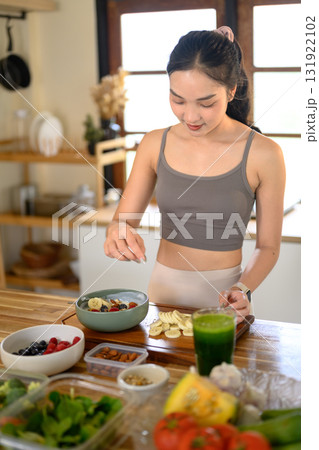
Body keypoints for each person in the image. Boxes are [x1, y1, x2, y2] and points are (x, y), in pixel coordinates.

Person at [104, 26, 285, 323]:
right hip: (162, 298)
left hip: (226, 303)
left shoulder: (265, 154)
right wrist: (117, 233)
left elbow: (268, 247)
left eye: (206, 103)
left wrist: (244, 289)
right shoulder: (153, 144)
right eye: (178, 100)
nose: (190, 116)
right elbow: (123, 221)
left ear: (232, 90)